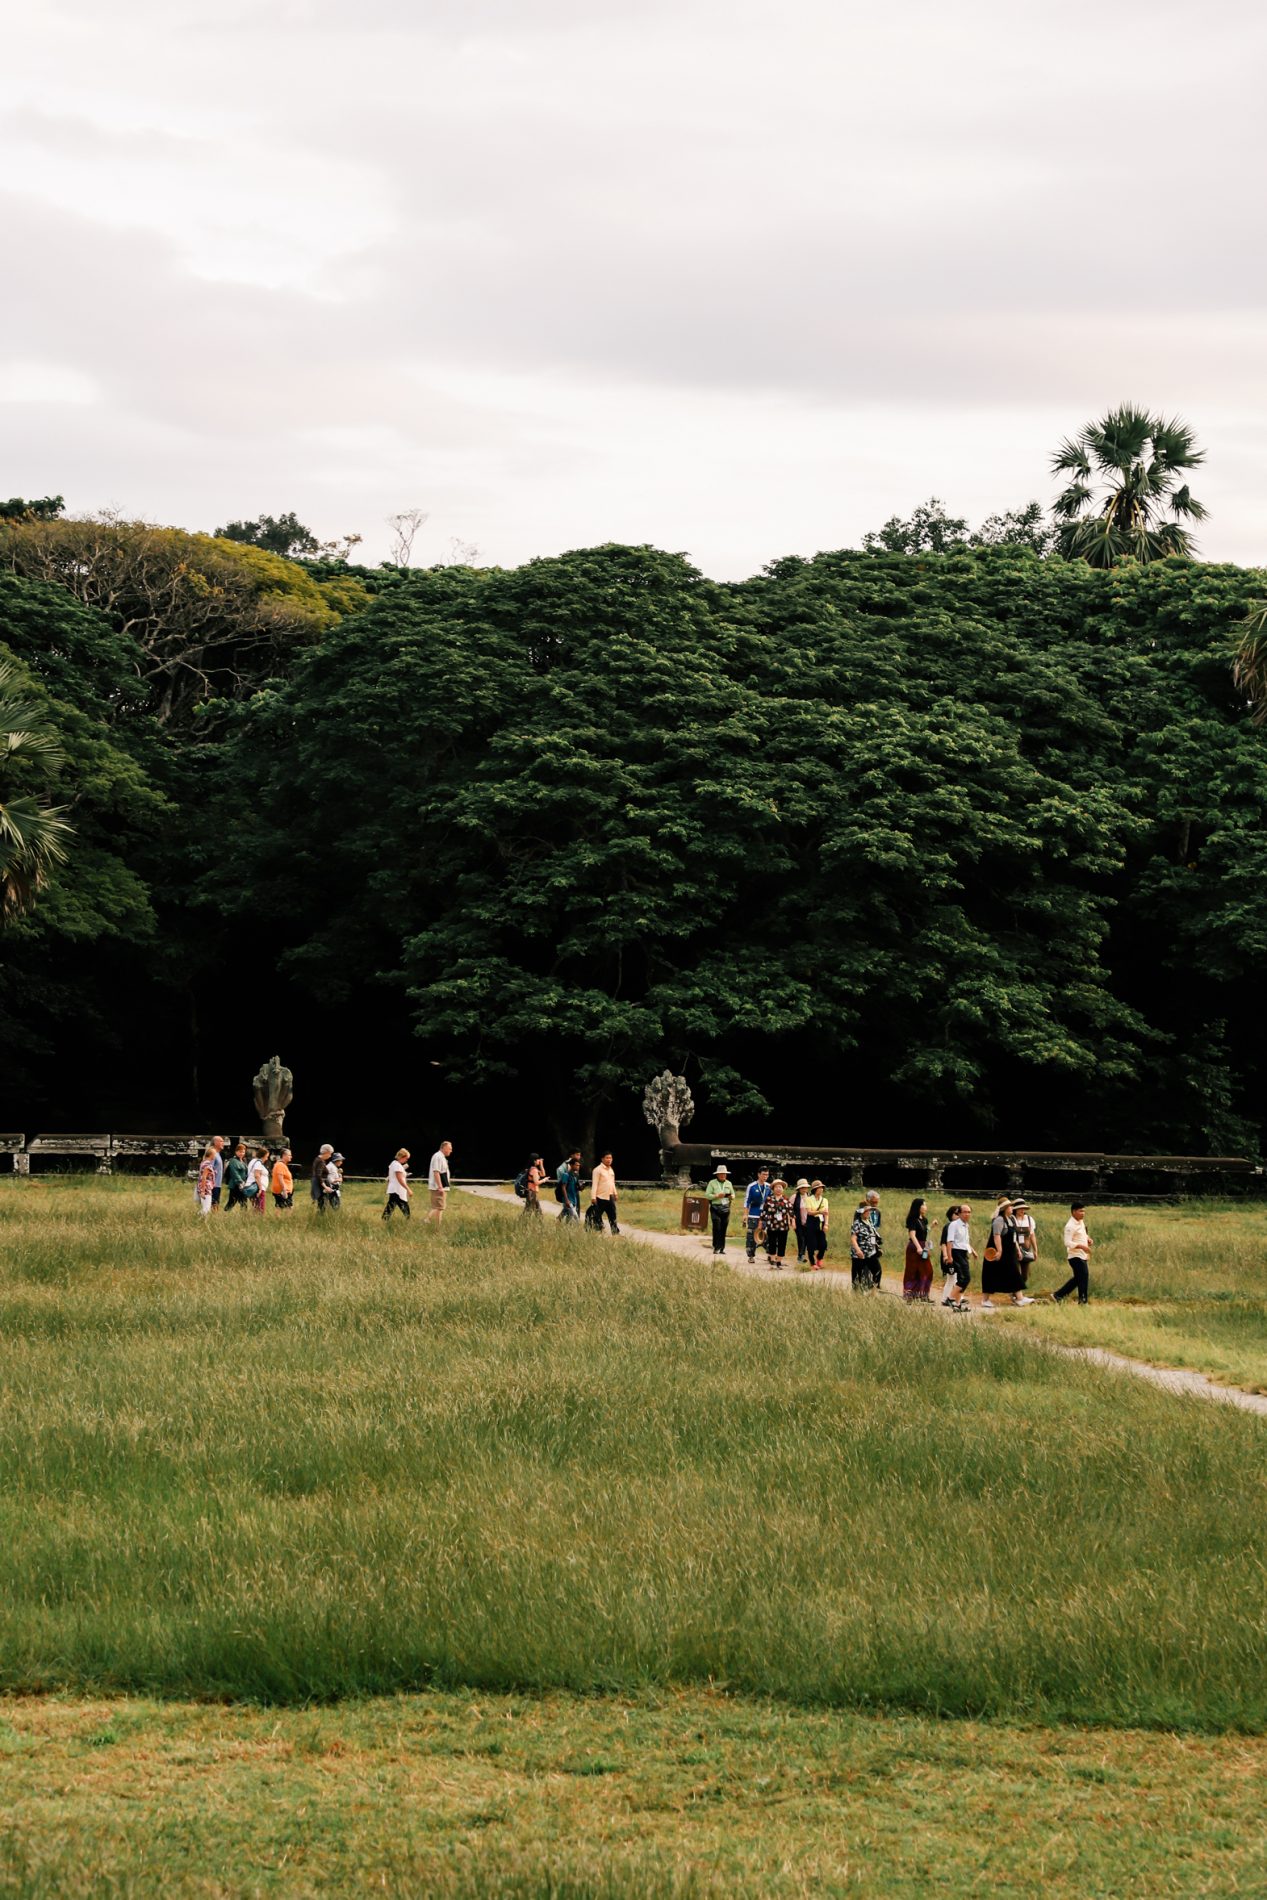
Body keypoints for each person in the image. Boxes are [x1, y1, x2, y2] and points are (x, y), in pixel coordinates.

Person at [981, 1196, 1032, 1309]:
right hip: (997, 1254)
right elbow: (996, 1236)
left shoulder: (1010, 1219)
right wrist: (999, 1250)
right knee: (991, 1274)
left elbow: (1014, 1237)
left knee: (1013, 1273)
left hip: (1009, 1253)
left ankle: (1019, 1298)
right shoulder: (999, 1220)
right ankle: (985, 1300)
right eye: (1010, 1206)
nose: (1012, 1208)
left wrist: (1018, 1250)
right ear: (1004, 1208)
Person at [1054, 1201, 1093, 1304]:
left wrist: (1088, 1239)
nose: (1083, 1213)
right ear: (1074, 1212)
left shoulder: (1081, 1222)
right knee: (1083, 1276)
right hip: (1075, 1256)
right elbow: (1067, 1242)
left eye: (1084, 1211)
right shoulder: (1070, 1226)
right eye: (1080, 1211)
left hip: (1082, 1255)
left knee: (1079, 1278)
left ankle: (1059, 1295)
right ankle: (1083, 1300)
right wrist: (1081, 1246)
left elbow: (1082, 1234)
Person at [943, 1202, 975, 1310]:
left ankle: (958, 1304)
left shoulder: (966, 1225)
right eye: (964, 1212)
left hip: (963, 1252)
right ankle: (950, 1298)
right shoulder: (954, 1224)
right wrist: (949, 1256)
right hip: (956, 1252)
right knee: (965, 1278)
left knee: (962, 1278)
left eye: (969, 1212)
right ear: (959, 1213)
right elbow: (949, 1241)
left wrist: (972, 1251)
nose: (967, 1214)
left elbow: (965, 1241)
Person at [902, 1198, 931, 1301]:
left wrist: (931, 1226)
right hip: (915, 1246)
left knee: (927, 1270)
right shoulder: (913, 1220)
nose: (926, 1207)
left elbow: (924, 1232)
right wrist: (918, 1247)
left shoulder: (924, 1219)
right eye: (924, 1205)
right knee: (912, 1271)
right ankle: (910, 1294)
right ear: (919, 1207)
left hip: (924, 1244)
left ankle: (923, 1294)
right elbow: (912, 1235)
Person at [761, 1178, 793, 1268]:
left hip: (784, 1225)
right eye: (776, 1187)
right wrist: (761, 1222)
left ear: (783, 1189)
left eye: (780, 1187)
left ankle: (779, 1262)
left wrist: (793, 1222)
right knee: (772, 1242)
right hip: (772, 1225)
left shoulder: (786, 1199)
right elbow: (764, 1211)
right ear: (773, 1188)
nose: (778, 1189)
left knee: (782, 1243)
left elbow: (791, 1212)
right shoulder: (768, 1199)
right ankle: (772, 1260)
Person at [850, 1200, 879, 1289]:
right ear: (861, 1212)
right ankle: (857, 1292)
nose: (868, 1213)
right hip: (859, 1255)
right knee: (858, 1275)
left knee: (877, 1270)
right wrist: (858, 1250)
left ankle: (874, 1288)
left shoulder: (870, 1222)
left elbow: (873, 1235)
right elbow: (853, 1239)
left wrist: (876, 1247)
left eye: (869, 1211)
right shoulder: (856, 1223)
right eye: (866, 1211)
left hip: (870, 1253)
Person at [744, 1166, 771, 1262]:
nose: (765, 1177)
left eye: (767, 1175)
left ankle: (770, 1254)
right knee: (752, 1236)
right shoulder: (752, 1186)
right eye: (763, 1174)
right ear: (759, 1174)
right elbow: (747, 1201)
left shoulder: (769, 1186)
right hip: (753, 1214)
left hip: (765, 1215)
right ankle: (751, 1256)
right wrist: (745, 1214)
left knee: (767, 1235)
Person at [705, 1164, 733, 1255]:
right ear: (717, 1175)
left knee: (724, 1227)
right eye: (721, 1174)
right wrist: (716, 1196)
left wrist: (731, 1196)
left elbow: (733, 1194)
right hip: (715, 1207)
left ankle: (722, 1248)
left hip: (725, 1208)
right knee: (717, 1226)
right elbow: (707, 1195)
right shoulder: (712, 1183)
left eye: (724, 1174)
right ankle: (716, 1246)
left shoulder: (729, 1183)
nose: (723, 1175)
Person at [803, 1180, 829, 1270]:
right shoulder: (808, 1199)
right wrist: (819, 1212)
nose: (821, 1189)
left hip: (820, 1222)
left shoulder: (824, 1200)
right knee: (811, 1244)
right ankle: (812, 1263)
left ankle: (819, 1258)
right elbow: (809, 1212)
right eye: (819, 1188)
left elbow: (826, 1213)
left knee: (823, 1244)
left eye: (822, 1187)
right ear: (814, 1189)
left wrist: (826, 1224)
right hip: (811, 1222)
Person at [590, 1151, 619, 1233]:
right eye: (607, 1158)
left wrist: (615, 1193)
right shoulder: (597, 1170)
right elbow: (594, 1184)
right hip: (600, 1197)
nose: (609, 1160)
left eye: (610, 1158)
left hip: (610, 1196)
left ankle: (615, 1232)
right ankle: (598, 1231)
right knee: (597, 1215)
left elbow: (612, 1182)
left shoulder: (611, 1170)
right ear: (602, 1159)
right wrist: (593, 1197)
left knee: (612, 1215)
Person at [1012, 1197, 1038, 1288]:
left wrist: (1035, 1250)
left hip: (1026, 1249)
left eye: (1023, 1208)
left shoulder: (1030, 1219)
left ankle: (1018, 1292)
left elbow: (1032, 1235)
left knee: (1024, 1276)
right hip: (1014, 1249)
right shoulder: (1012, 1219)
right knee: (1015, 1272)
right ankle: (1015, 1294)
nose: (1022, 1210)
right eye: (1020, 1208)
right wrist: (1018, 1250)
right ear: (1015, 1209)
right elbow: (1012, 1236)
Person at [428, 1140, 453, 1227]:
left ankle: (437, 1226)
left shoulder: (441, 1157)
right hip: (437, 1187)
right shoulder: (438, 1156)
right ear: (444, 1148)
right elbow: (436, 1172)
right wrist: (440, 1187)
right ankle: (427, 1219)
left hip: (441, 1186)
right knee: (439, 1207)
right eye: (449, 1148)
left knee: (439, 1207)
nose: (451, 1150)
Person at [383, 1148, 411, 1220]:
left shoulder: (394, 1164)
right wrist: (408, 1189)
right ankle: (408, 1221)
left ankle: (384, 1220)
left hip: (395, 1190)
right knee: (404, 1207)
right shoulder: (397, 1165)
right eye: (406, 1158)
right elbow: (400, 1179)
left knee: (390, 1207)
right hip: (397, 1191)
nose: (406, 1160)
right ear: (402, 1157)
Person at [864, 1190, 884, 1289]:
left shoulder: (878, 1212)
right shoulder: (862, 1212)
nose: (875, 1205)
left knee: (873, 1260)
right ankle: (866, 1283)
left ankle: (875, 1284)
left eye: (877, 1202)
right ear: (868, 1201)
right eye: (873, 1202)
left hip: (872, 1239)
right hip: (863, 1241)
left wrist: (876, 1242)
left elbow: (876, 1227)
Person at [555, 1150, 582, 1221]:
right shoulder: (566, 1175)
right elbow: (563, 1187)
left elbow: (575, 1187)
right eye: (576, 1165)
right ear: (571, 1165)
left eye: (579, 1165)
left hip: (574, 1199)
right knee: (576, 1218)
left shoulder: (575, 1176)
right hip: (568, 1199)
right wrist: (566, 1200)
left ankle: (557, 1221)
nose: (578, 1167)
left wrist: (580, 1187)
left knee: (565, 1213)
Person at [791, 1178, 812, 1264]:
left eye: (805, 1187)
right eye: (802, 1187)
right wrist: (792, 1221)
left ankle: (801, 1254)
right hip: (798, 1222)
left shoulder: (810, 1196)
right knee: (801, 1238)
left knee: (806, 1239)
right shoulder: (794, 1197)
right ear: (799, 1189)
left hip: (808, 1222)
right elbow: (790, 1210)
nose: (804, 1189)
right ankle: (801, 1255)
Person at [224, 1142, 249, 1210]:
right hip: (235, 1185)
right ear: (236, 1151)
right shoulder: (233, 1161)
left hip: (242, 1185)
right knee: (232, 1202)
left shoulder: (243, 1161)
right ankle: (225, 1214)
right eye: (240, 1152)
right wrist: (240, 1182)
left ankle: (244, 1217)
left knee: (244, 1202)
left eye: (243, 1152)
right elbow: (234, 1173)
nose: (242, 1153)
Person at [245, 1147, 270, 1214]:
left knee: (256, 1208)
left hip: (252, 1187)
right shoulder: (258, 1163)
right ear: (262, 1156)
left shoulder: (253, 1161)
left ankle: (254, 1221)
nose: (267, 1159)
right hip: (257, 1188)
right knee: (260, 1210)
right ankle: (258, 1222)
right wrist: (260, 1188)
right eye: (266, 1156)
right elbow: (257, 1175)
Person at [311, 1144, 334, 1213]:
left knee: (321, 1203)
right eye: (330, 1153)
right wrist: (325, 1187)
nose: (330, 1156)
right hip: (320, 1185)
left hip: (317, 1183)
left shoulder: (317, 1159)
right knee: (322, 1203)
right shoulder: (321, 1161)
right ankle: (320, 1218)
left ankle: (320, 1217)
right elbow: (318, 1175)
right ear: (326, 1152)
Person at [196, 1144, 216, 1217]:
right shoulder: (208, 1165)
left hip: (204, 1187)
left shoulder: (203, 1162)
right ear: (211, 1155)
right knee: (206, 1209)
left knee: (206, 1208)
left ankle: (202, 1221)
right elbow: (204, 1177)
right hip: (206, 1188)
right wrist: (203, 1191)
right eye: (215, 1154)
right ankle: (196, 1217)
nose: (215, 1156)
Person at [209, 1134, 226, 1211]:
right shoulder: (212, 1153)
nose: (223, 1143)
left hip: (217, 1184)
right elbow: (208, 1169)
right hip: (213, 1184)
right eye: (221, 1141)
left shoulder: (218, 1153)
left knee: (216, 1203)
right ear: (215, 1142)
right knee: (214, 1204)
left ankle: (215, 1219)